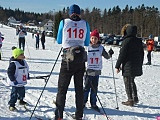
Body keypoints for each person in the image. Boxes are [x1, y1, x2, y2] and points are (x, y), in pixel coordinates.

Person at [54, 4, 90, 120]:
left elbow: (59, 40)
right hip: (80, 60)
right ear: (79, 13)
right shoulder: (85, 23)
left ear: (70, 13)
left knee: (62, 89)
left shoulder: (64, 22)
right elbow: (86, 42)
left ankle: (59, 116)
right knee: (79, 89)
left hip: (67, 59)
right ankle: (79, 115)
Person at [83, 29, 114, 112]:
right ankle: (83, 102)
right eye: (92, 38)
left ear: (98, 39)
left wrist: (110, 53)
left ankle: (93, 103)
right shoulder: (87, 47)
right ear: (90, 39)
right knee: (86, 87)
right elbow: (84, 58)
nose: (94, 40)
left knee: (94, 88)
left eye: (95, 38)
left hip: (97, 71)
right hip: (89, 70)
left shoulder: (101, 48)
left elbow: (106, 56)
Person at [115, 24, 144, 106]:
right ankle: (135, 97)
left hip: (128, 65)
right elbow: (142, 53)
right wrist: (140, 64)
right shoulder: (138, 41)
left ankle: (130, 99)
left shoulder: (126, 41)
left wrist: (117, 65)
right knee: (132, 81)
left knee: (127, 81)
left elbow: (122, 54)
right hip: (137, 64)